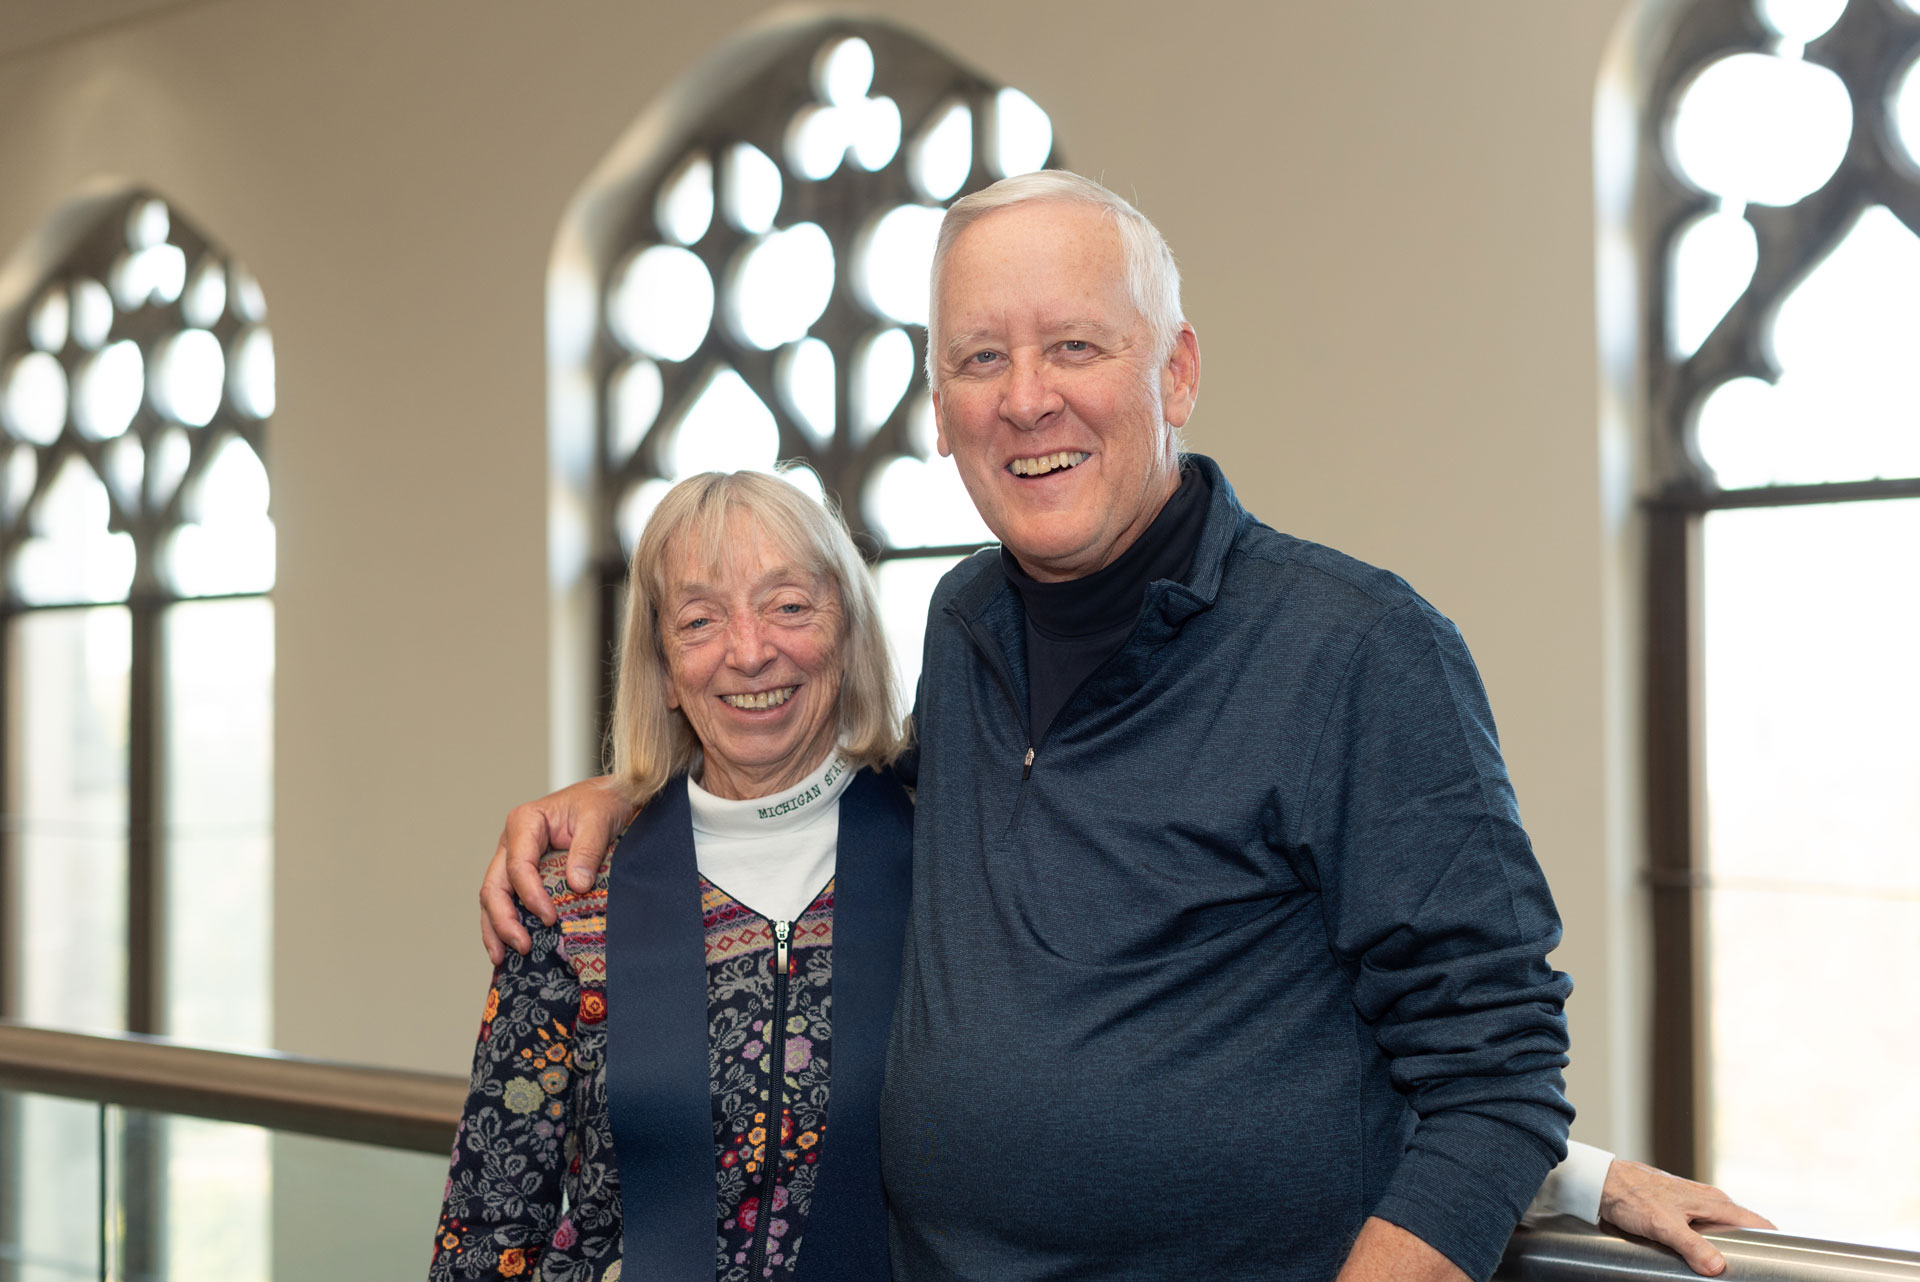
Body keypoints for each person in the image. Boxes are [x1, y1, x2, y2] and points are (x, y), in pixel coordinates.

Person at [480, 173, 1771, 1280]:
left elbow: (1491, 1074)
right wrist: (633, 797)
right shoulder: (968, 622)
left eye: (1076, 347)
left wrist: (1577, 1176)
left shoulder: (1359, 648)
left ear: (1179, 370)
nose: (1026, 399)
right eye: (982, 359)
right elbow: (865, 826)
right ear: (939, 408)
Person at [435, 471, 913, 1281]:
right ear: (661, 667)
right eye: (700, 620)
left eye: (790, 606)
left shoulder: (951, 871)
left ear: (851, 632)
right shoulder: (571, 901)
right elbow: (486, 1229)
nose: (751, 649)